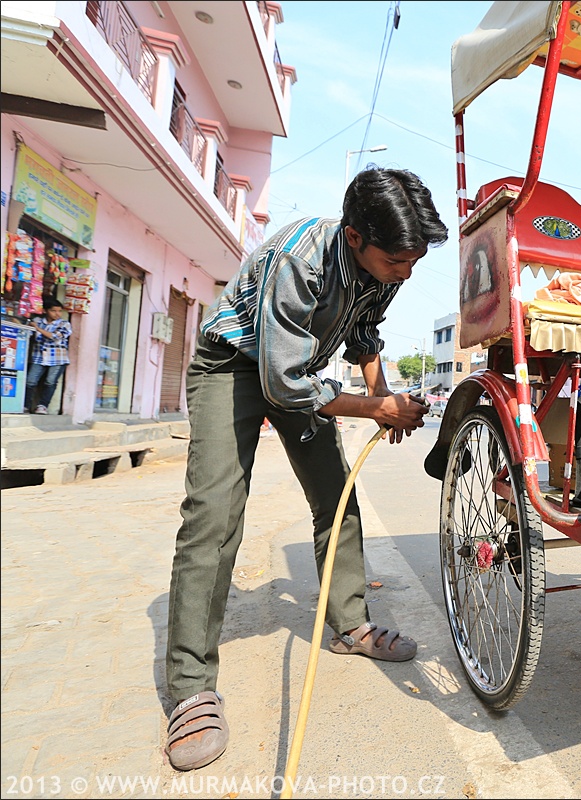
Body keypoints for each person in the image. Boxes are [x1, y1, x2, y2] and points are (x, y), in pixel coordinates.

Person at [163, 168, 448, 772]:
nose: (408, 270)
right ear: (353, 236)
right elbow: (282, 383)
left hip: (296, 375)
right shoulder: (299, 261)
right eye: (399, 258)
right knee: (214, 515)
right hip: (234, 372)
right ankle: (190, 685)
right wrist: (375, 407)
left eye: (415, 258)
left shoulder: (383, 269)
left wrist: (383, 400)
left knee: (336, 499)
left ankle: (350, 625)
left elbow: (364, 334)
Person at [25, 299, 71, 414]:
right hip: (38, 356)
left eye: (59, 311)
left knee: (50, 382)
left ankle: (43, 405)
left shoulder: (64, 324)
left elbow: (55, 337)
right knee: (30, 381)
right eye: (53, 311)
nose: (57, 314)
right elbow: (27, 333)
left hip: (57, 359)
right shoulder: (37, 321)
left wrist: (37, 329)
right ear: (46, 311)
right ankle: (26, 405)